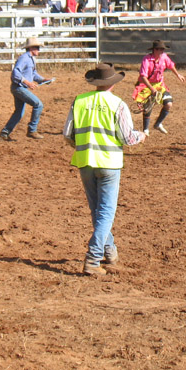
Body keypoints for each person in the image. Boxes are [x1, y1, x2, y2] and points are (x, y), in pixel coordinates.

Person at [63, 63, 146, 276]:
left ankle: (110, 252)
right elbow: (127, 137)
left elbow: (67, 133)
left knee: (97, 211)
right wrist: (141, 136)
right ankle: (93, 258)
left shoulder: (79, 101)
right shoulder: (117, 104)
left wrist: (81, 146)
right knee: (106, 212)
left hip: (85, 161)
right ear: (112, 83)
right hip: (109, 162)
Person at [0, 37, 52, 141]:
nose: (38, 50)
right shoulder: (24, 58)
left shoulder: (30, 59)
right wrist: (27, 82)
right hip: (19, 87)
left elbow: (33, 74)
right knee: (38, 104)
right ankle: (32, 130)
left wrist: (43, 80)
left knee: (19, 112)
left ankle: (4, 133)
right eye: (36, 47)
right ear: (31, 48)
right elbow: (15, 73)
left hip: (18, 87)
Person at [132, 40, 185, 135]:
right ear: (154, 50)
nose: (161, 52)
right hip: (146, 84)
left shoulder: (164, 57)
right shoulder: (146, 59)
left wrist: (178, 75)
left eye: (162, 50)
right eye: (159, 49)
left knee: (168, 104)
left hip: (159, 85)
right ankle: (145, 129)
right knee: (148, 107)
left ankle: (158, 123)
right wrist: (152, 89)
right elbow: (143, 77)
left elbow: (171, 65)